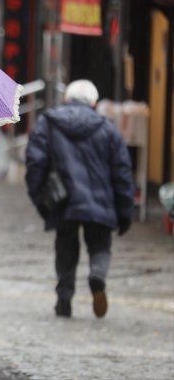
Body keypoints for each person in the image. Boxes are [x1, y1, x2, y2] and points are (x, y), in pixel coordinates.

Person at [25, 79, 134, 319]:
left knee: (65, 247)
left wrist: (41, 199)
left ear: (66, 99)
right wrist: (125, 212)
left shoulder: (48, 122)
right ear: (94, 103)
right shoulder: (108, 128)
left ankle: (64, 297)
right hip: (100, 201)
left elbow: (35, 163)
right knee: (100, 246)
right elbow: (122, 172)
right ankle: (97, 276)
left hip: (64, 199)